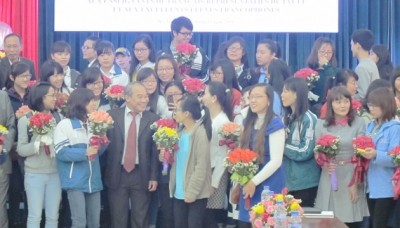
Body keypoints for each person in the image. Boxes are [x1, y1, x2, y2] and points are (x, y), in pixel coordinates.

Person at [105, 82, 159, 227]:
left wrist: (153, 176)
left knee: (140, 219)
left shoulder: (153, 119)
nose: (144, 100)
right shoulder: (111, 116)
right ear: (127, 98)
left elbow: (154, 152)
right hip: (117, 173)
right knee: (118, 219)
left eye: (146, 96)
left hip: (141, 174)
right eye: (140, 96)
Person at [314, 86, 369, 228]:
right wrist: (324, 163)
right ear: (330, 104)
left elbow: (361, 156)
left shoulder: (359, 122)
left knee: (351, 221)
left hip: (351, 174)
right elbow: (317, 152)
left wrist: (355, 183)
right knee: (329, 221)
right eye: (338, 102)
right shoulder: (320, 124)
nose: (343, 105)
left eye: (346, 101)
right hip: (330, 175)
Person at [54, 88, 103, 228]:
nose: (94, 103)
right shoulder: (65, 124)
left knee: (95, 223)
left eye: (94, 100)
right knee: (79, 222)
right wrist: (84, 153)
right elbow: (61, 152)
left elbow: (98, 153)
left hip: (93, 180)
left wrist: (103, 142)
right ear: (80, 103)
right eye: (90, 101)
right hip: (74, 181)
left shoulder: (96, 123)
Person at [239, 84, 286, 226]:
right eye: (251, 97)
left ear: (269, 100)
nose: (253, 100)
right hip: (248, 179)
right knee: (246, 222)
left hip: (268, 182)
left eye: (258, 96)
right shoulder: (248, 122)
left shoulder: (275, 123)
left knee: (264, 221)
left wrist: (253, 182)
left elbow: (276, 161)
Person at [17, 82, 62, 228]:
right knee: (35, 216)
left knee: (52, 217)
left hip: (55, 173)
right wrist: (38, 143)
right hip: (34, 174)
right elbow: (21, 150)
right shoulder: (26, 120)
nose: (55, 98)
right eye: (51, 95)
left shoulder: (58, 118)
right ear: (41, 97)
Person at [169, 94, 212, 228]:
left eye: (177, 110)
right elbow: (174, 161)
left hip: (195, 193)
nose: (174, 113)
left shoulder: (200, 133)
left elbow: (201, 166)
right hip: (179, 191)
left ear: (187, 113)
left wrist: (192, 192)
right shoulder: (179, 132)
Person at [362, 87, 400, 228]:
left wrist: (376, 154)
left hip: (386, 186)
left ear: (385, 104)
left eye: (375, 105)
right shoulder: (371, 126)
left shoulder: (395, 128)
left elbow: (396, 157)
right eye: (370, 105)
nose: (371, 108)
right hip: (370, 185)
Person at [281, 77, 320, 207]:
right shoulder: (287, 118)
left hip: (305, 181)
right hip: (289, 180)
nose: (282, 95)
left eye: (286, 91)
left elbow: (306, 151)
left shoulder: (309, 119)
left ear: (297, 94)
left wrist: (282, 147)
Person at [201, 81, 232, 227]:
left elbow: (223, 155)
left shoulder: (223, 123)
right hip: (206, 171)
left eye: (205, 93)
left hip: (215, 174)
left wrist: (214, 182)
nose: (202, 97)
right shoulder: (206, 116)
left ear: (214, 98)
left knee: (210, 217)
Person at [5, 62, 31, 225]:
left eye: (28, 76)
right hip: (12, 152)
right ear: (12, 77)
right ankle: (14, 223)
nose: (26, 79)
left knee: (30, 192)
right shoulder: (6, 97)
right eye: (22, 76)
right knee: (14, 191)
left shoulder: (33, 96)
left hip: (30, 151)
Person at [159, 16, 209, 81]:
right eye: (184, 34)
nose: (188, 37)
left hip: (194, 90)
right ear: (174, 33)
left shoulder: (198, 51)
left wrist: (192, 82)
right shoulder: (163, 54)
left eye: (190, 33)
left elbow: (206, 75)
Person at [306, 37, 338, 116]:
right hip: (312, 111)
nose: (325, 55)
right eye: (322, 51)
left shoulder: (335, 71)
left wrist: (327, 66)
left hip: (330, 111)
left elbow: (334, 82)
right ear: (316, 52)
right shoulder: (309, 71)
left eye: (329, 52)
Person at [0, 90, 16, 228]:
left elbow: (10, 125)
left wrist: (3, 146)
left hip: (1, 158)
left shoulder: (2, 96)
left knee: (0, 203)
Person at [351, 29, 380, 100]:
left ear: (357, 45)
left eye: (351, 45)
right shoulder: (371, 63)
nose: (351, 48)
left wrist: (348, 97)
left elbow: (362, 95)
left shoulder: (362, 67)